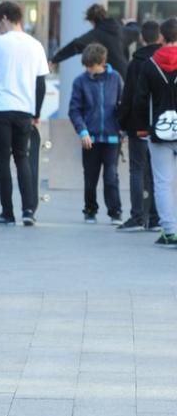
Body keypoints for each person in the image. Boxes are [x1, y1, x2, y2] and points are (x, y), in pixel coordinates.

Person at [0, 1, 50, 227]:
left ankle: (7, 212)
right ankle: (28, 210)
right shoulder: (35, 45)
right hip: (24, 109)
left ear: (3, 19)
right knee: (22, 158)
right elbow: (41, 82)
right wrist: (36, 112)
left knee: (3, 160)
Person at [132, 17, 177, 248]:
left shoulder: (150, 64)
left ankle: (170, 231)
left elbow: (140, 100)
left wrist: (141, 128)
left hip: (158, 131)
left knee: (162, 182)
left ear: (161, 37)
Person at [68, 43, 124, 224]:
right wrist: (82, 131)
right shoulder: (80, 81)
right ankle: (90, 210)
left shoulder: (116, 79)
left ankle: (115, 212)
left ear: (102, 63)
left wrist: (123, 129)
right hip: (89, 138)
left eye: (91, 66)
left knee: (111, 176)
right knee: (90, 177)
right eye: (86, 66)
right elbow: (74, 110)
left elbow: (123, 106)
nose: (89, 70)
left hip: (112, 138)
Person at [117, 20, 162, 231]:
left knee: (136, 170)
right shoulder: (165, 60)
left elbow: (129, 96)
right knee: (157, 172)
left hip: (138, 123)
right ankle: (155, 217)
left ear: (142, 38)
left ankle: (137, 216)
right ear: (160, 37)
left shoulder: (135, 63)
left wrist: (122, 123)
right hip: (161, 125)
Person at [51, 3, 128, 77]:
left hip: (112, 76)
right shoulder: (119, 29)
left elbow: (76, 44)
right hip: (126, 73)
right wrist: (131, 24)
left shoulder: (97, 34)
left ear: (92, 20)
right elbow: (133, 31)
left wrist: (55, 59)